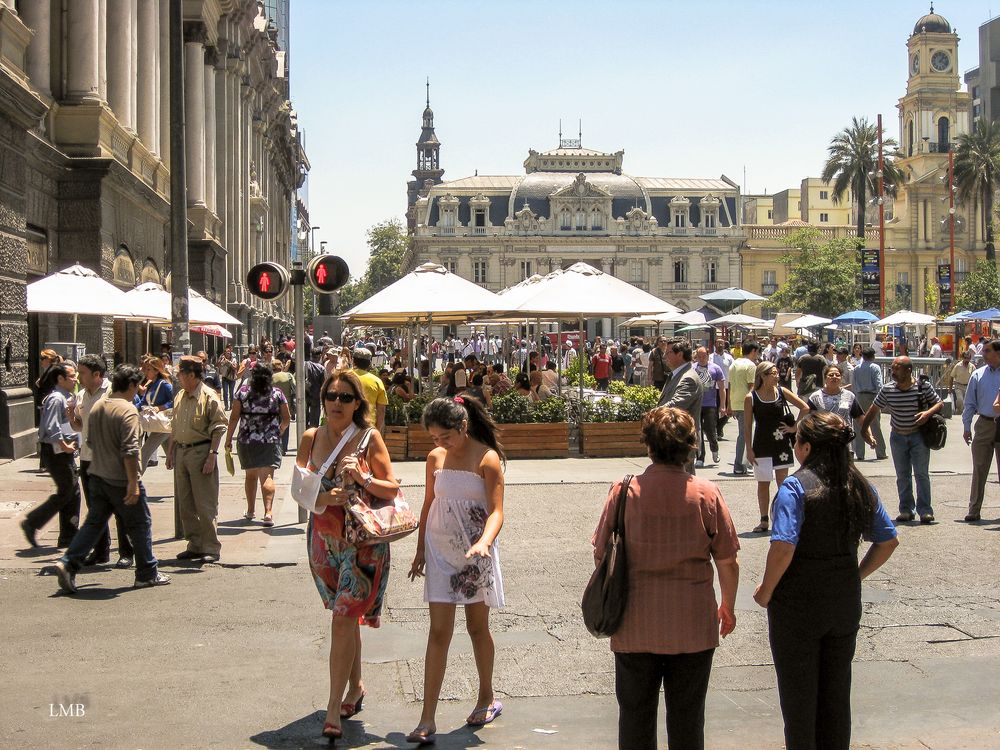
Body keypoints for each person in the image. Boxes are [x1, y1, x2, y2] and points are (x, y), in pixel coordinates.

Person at [593, 407, 739, 750]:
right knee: (688, 718)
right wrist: (728, 605)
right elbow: (728, 560)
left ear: (649, 447)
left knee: (634, 716)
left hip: (633, 620)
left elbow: (601, 553)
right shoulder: (706, 493)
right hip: (692, 623)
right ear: (690, 448)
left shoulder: (623, 490)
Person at [753, 412, 899, 750]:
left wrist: (765, 591)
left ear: (804, 447)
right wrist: (856, 573)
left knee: (799, 698)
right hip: (843, 601)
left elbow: (784, 545)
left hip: (798, 605)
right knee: (836, 694)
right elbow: (887, 540)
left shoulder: (795, 486)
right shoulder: (860, 484)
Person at [300, 371, 399, 741]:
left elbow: (392, 489)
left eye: (345, 397)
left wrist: (363, 478)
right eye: (331, 396)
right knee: (345, 616)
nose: (337, 403)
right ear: (323, 400)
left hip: (363, 545)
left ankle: (332, 708)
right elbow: (300, 489)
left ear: (358, 403)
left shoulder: (369, 439)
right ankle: (355, 685)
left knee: (343, 617)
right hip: (324, 542)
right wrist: (323, 499)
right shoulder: (311, 438)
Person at [407, 396, 506, 745]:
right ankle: (427, 717)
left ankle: (486, 695)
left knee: (478, 628)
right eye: (434, 438)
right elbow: (429, 503)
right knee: (438, 632)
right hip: (439, 552)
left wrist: (485, 542)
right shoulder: (435, 458)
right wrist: (420, 549)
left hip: (475, 552)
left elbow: (497, 512)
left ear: (463, 427)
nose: (439, 444)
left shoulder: (487, 458)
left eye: (445, 437)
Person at [51, 365, 171, 593]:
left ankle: (68, 563)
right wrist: (133, 482)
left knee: (94, 523)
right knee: (140, 523)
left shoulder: (97, 407)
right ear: (132, 386)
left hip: (97, 474)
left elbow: (90, 441)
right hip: (121, 479)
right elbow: (130, 450)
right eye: (138, 387)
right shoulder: (127, 411)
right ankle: (147, 572)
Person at [68, 354, 133, 568]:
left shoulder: (112, 392)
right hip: (87, 459)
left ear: (97, 374)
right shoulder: (81, 395)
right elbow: (79, 425)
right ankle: (101, 551)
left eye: (82, 373)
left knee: (121, 509)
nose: (78, 376)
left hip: (110, 461)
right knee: (96, 508)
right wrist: (70, 415)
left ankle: (126, 552)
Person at [860, 356, 942, 524]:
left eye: (897, 368)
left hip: (918, 436)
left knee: (921, 474)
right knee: (902, 475)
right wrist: (864, 430)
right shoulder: (887, 389)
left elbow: (939, 403)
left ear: (908, 370)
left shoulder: (923, 387)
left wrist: (927, 414)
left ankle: (925, 510)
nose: (893, 372)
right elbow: (873, 409)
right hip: (897, 436)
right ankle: (906, 509)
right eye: (892, 368)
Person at [166, 355, 228, 563]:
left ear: (191, 375)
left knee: (205, 502)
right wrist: (170, 451)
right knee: (185, 502)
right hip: (182, 452)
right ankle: (194, 544)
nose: (178, 378)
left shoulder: (209, 396)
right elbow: (175, 425)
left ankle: (211, 546)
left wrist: (212, 455)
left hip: (201, 452)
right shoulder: (180, 396)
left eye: (181, 374)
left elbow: (219, 428)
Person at [21, 362, 81, 549]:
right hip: (56, 452)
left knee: (73, 492)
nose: (75, 379)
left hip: (63, 452)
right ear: (60, 379)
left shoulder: (66, 397)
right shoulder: (56, 398)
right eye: (71, 376)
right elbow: (52, 427)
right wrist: (64, 445)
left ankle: (68, 536)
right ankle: (33, 522)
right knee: (68, 491)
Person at [745, 361, 810, 534]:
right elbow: (747, 426)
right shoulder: (751, 397)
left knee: (783, 483)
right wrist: (749, 449)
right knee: (763, 483)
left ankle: (784, 518)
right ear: (762, 376)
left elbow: (805, 407)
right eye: (772, 373)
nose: (777, 376)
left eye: (776, 373)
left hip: (781, 443)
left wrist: (795, 426)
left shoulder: (781, 391)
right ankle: (764, 519)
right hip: (761, 444)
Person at [225, 363, 290, 527]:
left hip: (247, 440)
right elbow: (287, 418)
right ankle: (268, 512)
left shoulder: (243, 393)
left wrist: (228, 439)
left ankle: (250, 510)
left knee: (250, 476)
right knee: (267, 476)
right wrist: (279, 431)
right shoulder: (277, 394)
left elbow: (234, 417)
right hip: (270, 440)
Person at [961, 339, 1000, 522]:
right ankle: (974, 509)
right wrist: (966, 427)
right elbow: (969, 404)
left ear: (997, 353)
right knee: (979, 468)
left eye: (986, 350)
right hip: (984, 424)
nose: (982, 354)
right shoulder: (977, 375)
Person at [808, 365, 872, 453]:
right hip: (822, 443)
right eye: (831, 375)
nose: (834, 377)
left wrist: (869, 435)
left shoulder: (849, 396)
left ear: (841, 378)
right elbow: (807, 421)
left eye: (837, 375)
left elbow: (860, 418)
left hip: (844, 443)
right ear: (825, 378)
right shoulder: (815, 397)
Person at [137, 355, 174, 470]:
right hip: (157, 425)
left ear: (156, 370)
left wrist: (162, 407)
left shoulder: (165, 385)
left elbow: (175, 400)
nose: (145, 372)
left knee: (145, 452)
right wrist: (130, 409)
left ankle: (135, 480)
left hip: (163, 422)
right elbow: (143, 402)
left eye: (148, 369)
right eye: (145, 368)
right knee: (174, 456)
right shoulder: (151, 385)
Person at [728, 342, 759, 475]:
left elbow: (730, 385)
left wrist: (729, 404)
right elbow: (751, 386)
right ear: (753, 351)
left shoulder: (734, 363)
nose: (757, 355)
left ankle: (742, 463)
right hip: (746, 403)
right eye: (757, 352)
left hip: (735, 401)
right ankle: (740, 464)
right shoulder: (751, 365)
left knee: (743, 433)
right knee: (745, 434)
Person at [851, 348, 887, 461]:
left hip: (859, 396)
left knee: (858, 425)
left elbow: (853, 385)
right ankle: (880, 452)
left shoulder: (856, 368)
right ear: (873, 356)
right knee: (875, 424)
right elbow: (879, 385)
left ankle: (860, 453)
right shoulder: (875, 367)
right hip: (872, 397)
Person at [693, 346, 725, 467]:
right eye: (699, 356)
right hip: (696, 405)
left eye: (704, 356)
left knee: (710, 430)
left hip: (710, 404)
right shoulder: (692, 368)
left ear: (708, 355)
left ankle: (714, 447)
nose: (701, 359)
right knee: (697, 431)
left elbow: (722, 388)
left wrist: (722, 405)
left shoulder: (715, 368)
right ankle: (700, 457)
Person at [351, 347, 388, 432]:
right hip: (368, 427)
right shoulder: (377, 381)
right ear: (369, 363)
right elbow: (381, 410)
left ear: (353, 361)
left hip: (345, 426)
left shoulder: (343, 377)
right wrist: (377, 431)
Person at [271, 359, 296, 454]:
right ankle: (284, 448)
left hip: (273, 406)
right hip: (287, 404)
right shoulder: (288, 376)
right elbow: (295, 387)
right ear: (281, 366)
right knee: (285, 426)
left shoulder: (270, 377)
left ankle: (276, 446)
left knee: (274, 426)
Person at [217, 345, 238, 410]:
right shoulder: (222, 359)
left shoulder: (233, 359)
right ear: (224, 353)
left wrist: (228, 362)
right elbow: (218, 366)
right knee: (225, 392)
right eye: (227, 352)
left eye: (229, 353)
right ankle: (226, 406)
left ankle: (231, 405)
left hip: (231, 378)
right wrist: (220, 360)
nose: (228, 353)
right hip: (224, 378)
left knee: (231, 393)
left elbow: (235, 367)